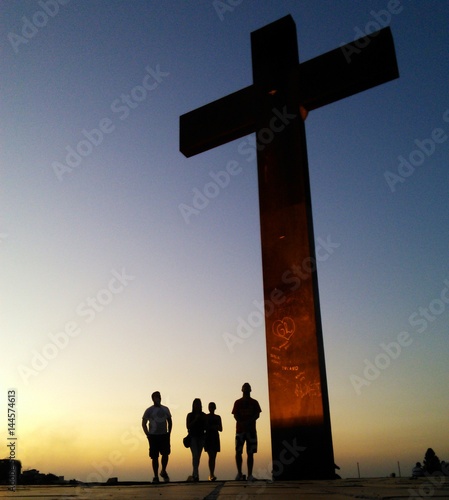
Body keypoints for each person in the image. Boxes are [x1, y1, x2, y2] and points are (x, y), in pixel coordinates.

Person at [232, 382, 261, 481]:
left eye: (248, 387)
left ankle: (250, 475)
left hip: (251, 431)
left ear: (250, 390)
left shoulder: (254, 402)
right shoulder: (237, 402)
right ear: (242, 389)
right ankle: (239, 473)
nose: (246, 389)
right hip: (240, 431)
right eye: (245, 387)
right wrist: (242, 422)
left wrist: (249, 422)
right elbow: (235, 415)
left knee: (250, 453)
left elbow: (257, 414)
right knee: (238, 452)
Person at [141, 391, 172, 484]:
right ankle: (155, 476)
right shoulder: (149, 410)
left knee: (165, 454)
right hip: (153, 436)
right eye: (155, 397)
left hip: (164, 435)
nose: (157, 398)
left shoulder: (165, 409)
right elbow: (144, 423)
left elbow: (170, 421)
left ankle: (163, 470)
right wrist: (147, 434)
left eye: (158, 396)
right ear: (152, 399)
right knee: (154, 457)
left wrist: (169, 432)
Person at [186, 398, 207, 482]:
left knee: (198, 456)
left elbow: (206, 426)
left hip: (201, 437)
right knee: (195, 455)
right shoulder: (190, 415)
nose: (197, 406)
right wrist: (195, 419)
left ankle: (194, 473)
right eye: (196, 404)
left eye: (198, 404)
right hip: (193, 437)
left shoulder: (203, 415)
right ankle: (195, 474)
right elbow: (188, 426)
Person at [205, 402, 222, 481]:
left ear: (215, 408)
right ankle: (211, 474)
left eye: (212, 407)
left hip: (215, 437)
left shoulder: (218, 417)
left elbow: (221, 428)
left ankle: (212, 473)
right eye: (210, 407)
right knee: (211, 455)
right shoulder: (206, 417)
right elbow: (204, 427)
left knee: (213, 457)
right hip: (208, 437)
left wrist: (215, 427)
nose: (211, 408)